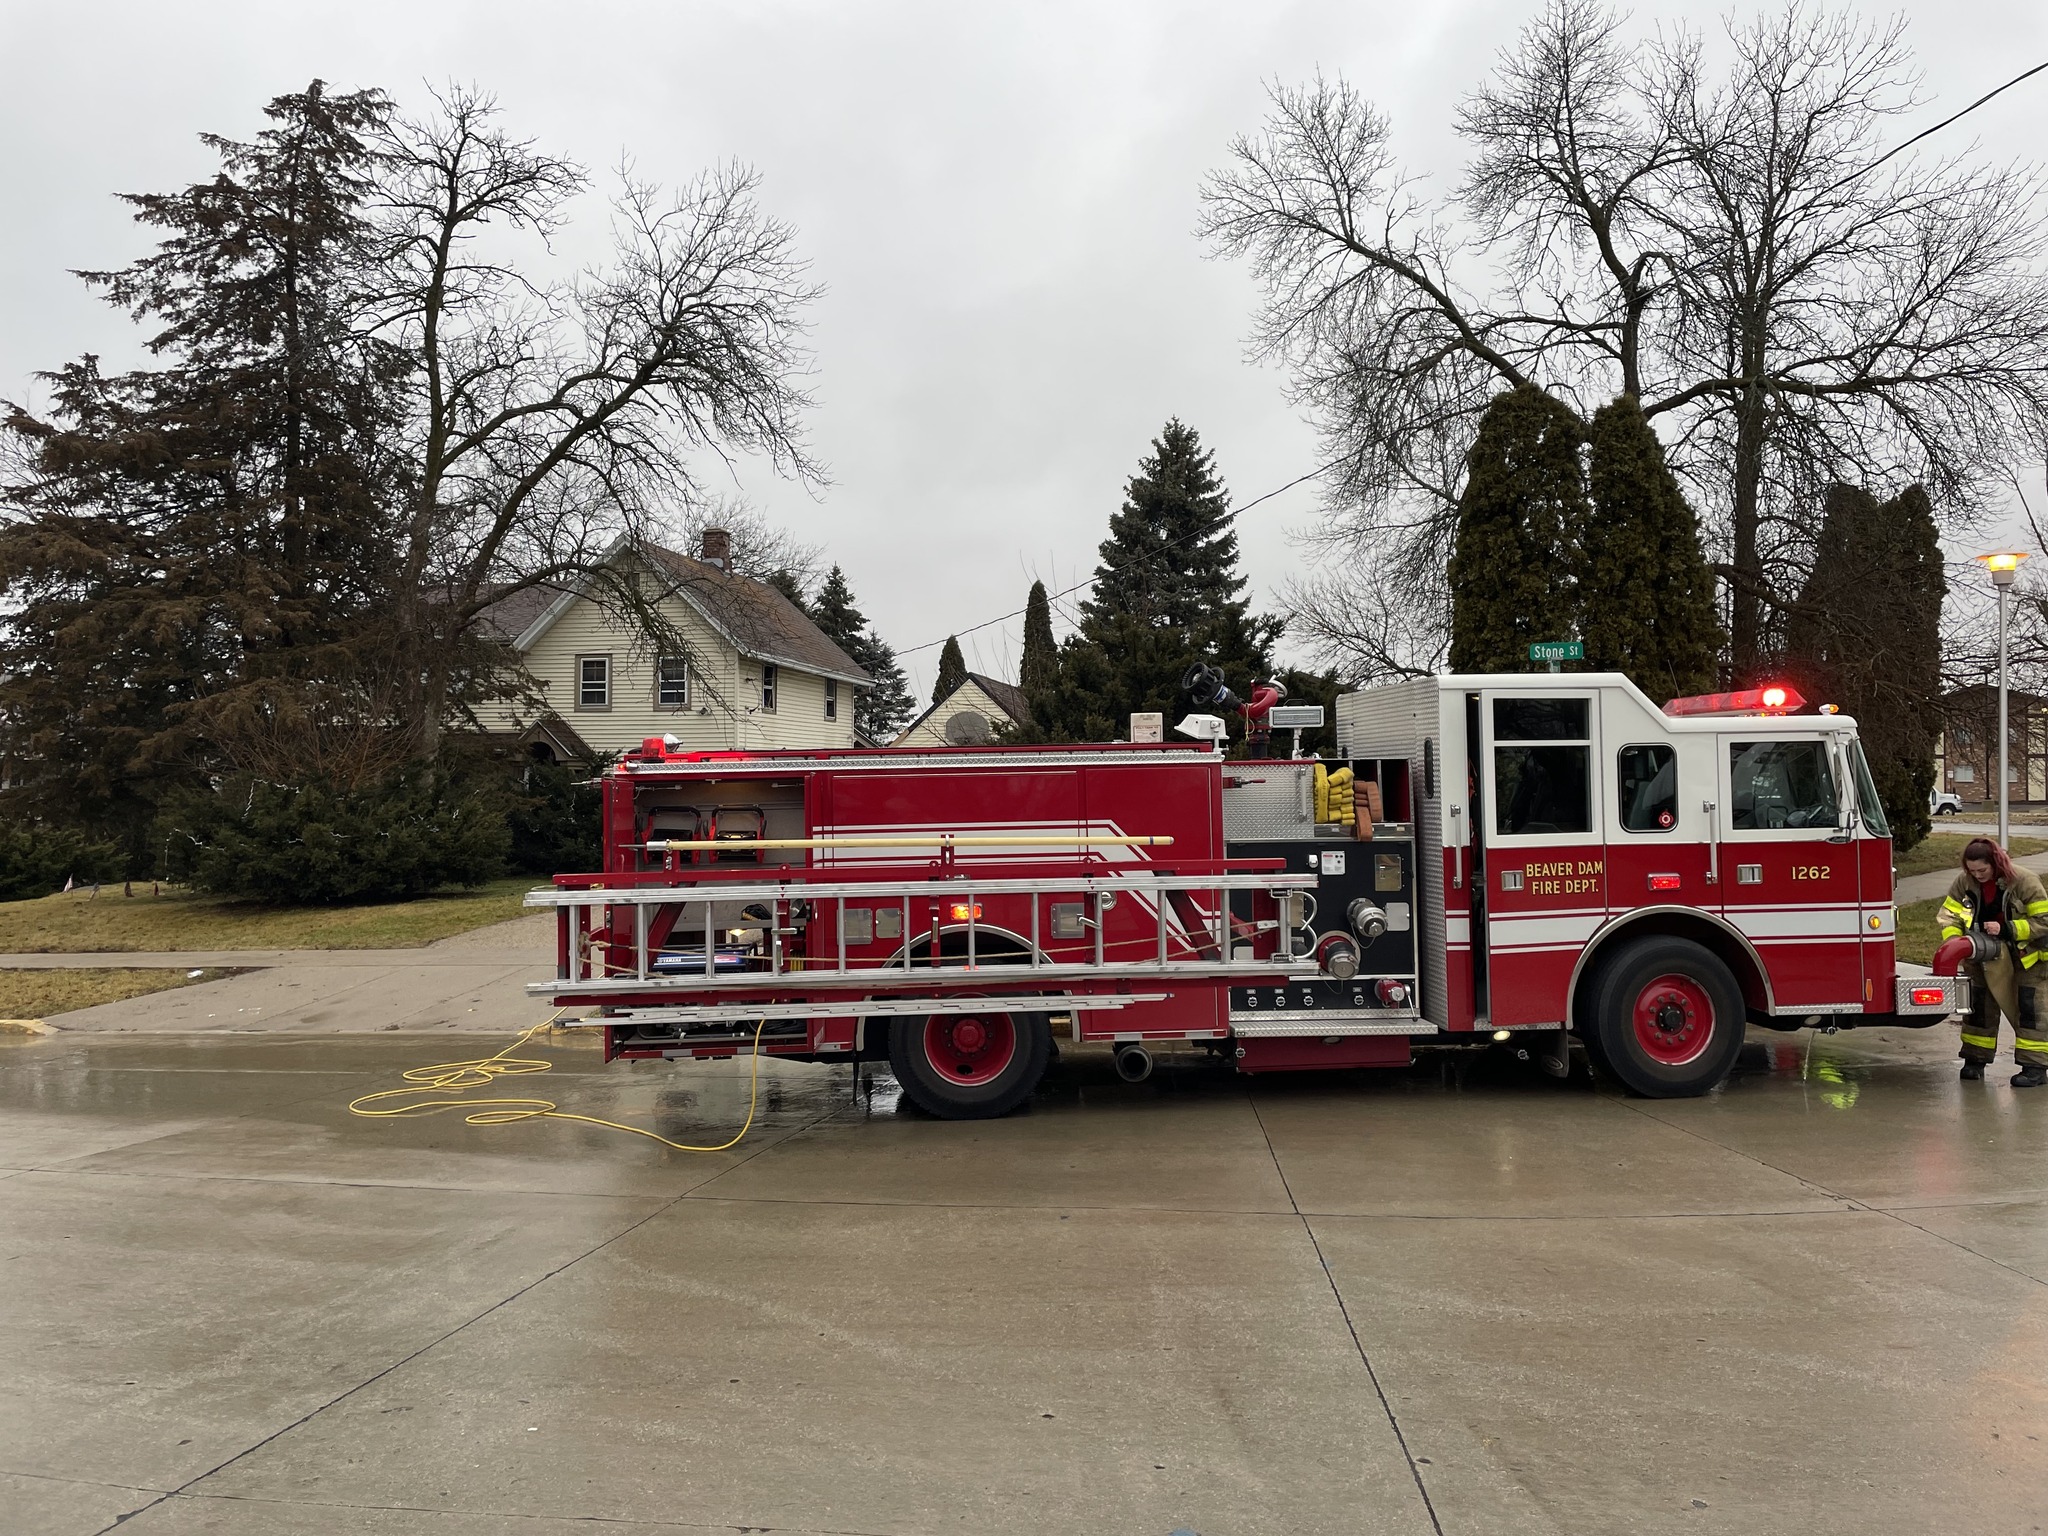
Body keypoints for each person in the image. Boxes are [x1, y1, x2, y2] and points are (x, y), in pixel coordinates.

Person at [1938, 838, 2048, 1087]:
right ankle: (1975, 1060)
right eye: (1972, 871)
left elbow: (2044, 921)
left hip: (2027, 959)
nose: (1977, 876)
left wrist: (2006, 928)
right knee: (1978, 1008)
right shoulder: (1964, 882)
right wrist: (1956, 945)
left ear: (1996, 863)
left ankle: (2035, 1068)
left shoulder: (2025, 881)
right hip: (1980, 956)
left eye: (1982, 870)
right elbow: (1948, 917)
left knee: (2030, 1011)